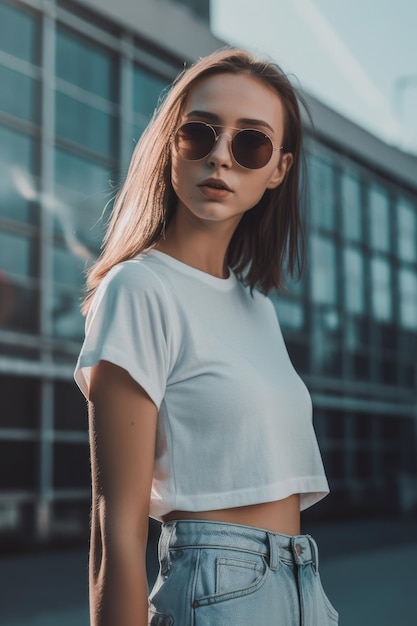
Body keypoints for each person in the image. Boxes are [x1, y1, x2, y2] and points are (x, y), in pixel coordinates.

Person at [74, 48, 338, 626]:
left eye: (251, 144)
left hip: (304, 585)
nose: (220, 156)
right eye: (199, 133)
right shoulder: (139, 288)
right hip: (216, 593)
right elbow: (113, 529)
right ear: (171, 147)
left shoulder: (257, 307)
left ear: (279, 170)